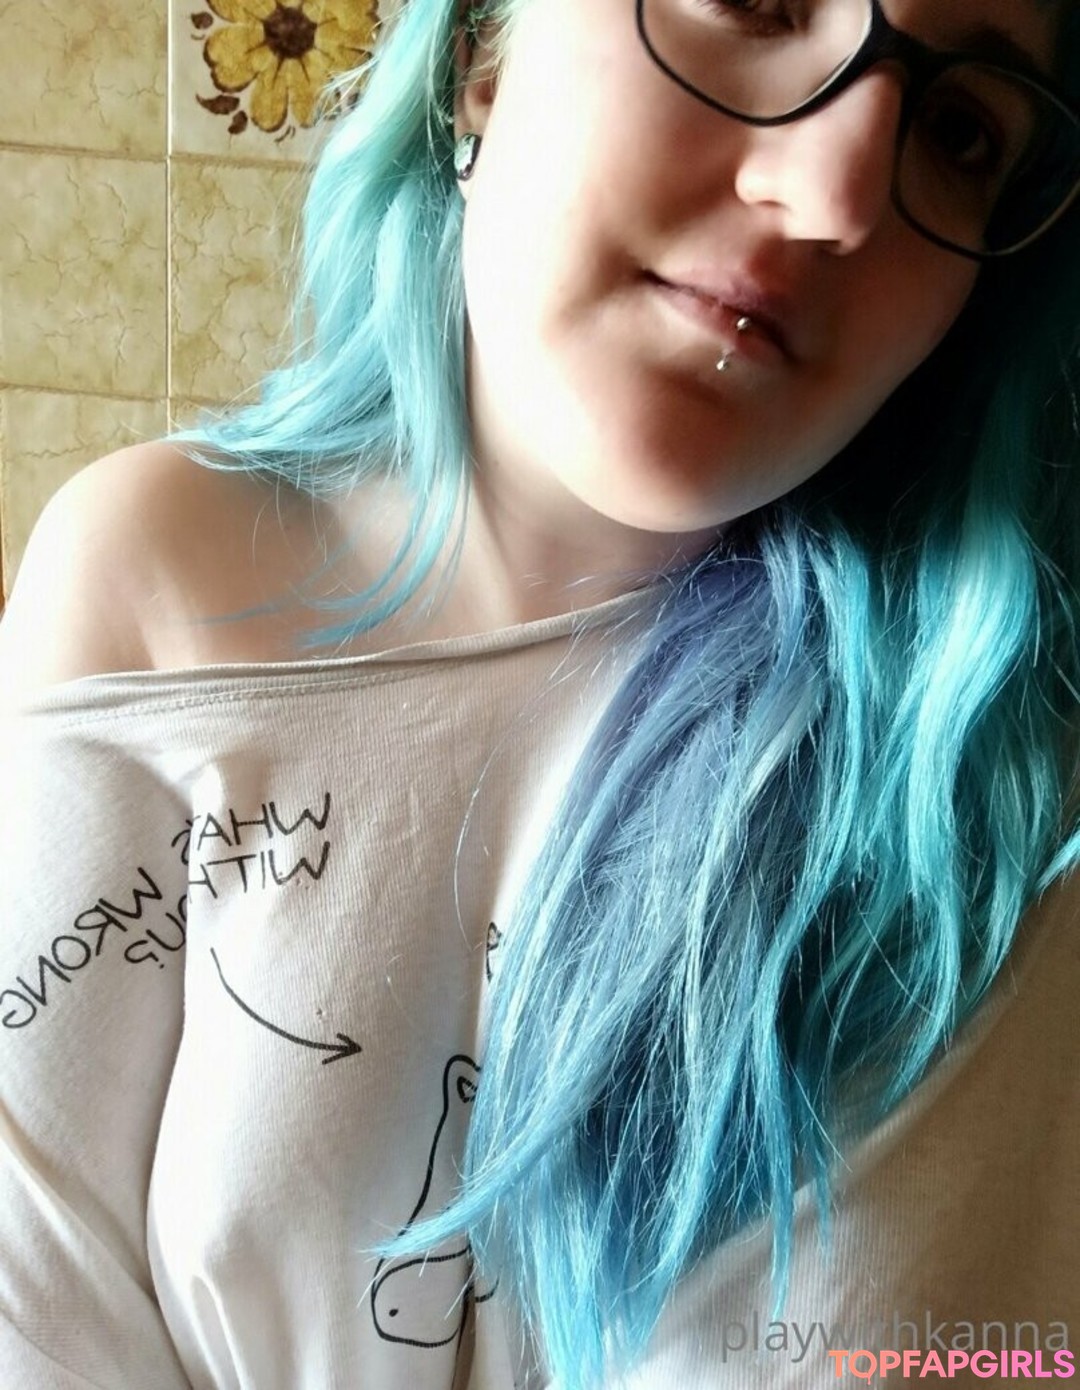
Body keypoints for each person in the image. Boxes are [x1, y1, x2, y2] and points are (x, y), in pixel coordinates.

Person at [2, 0, 1079, 1385]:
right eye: (758, 2)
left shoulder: (992, 786)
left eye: (962, 131)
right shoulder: (151, 580)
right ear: (478, 57)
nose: (834, 197)